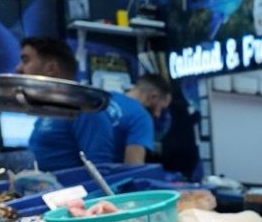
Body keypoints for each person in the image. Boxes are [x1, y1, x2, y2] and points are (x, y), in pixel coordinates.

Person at [16, 37, 115, 171]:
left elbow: (101, 171)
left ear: (51, 68)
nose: (18, 68)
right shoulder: (51, 109)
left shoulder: (85, 109)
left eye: (25, 60)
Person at [107, 74, 172, 165]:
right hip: (107, 177)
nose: (158, 114)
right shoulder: (141, 117)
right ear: (153, 96)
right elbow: (133, 168)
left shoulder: (107, 98)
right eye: (160, 108)